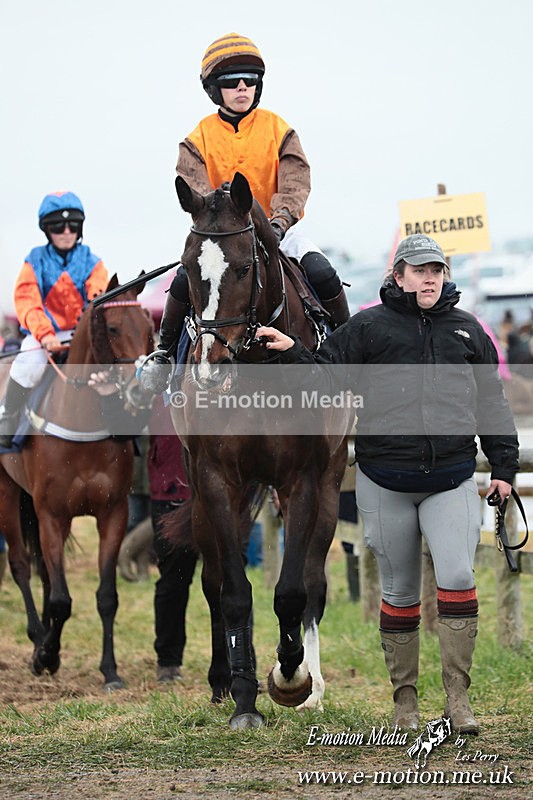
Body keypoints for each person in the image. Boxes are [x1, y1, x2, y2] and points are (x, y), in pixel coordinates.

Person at [257, 233, 519, 735]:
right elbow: (326, 377)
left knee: (459, 579)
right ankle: (405, 704)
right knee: (399, 593)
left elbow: (493, 404)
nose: (429, 278)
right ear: (397, 275)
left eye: (437, 270)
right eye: (419, 270)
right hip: (386, 481)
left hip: (452, 479)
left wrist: (504, 471)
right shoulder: (368, 328)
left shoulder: (470, 332)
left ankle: (458, 700)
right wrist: (293, 350)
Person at [150, 32, 349, 375]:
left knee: (324, 273)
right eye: (231, 81)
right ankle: (165, 354)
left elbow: (295, 179)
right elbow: (196, 190)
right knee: (184, 280)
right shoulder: (197, 139)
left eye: (250, 80)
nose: (243, 87)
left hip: (278, 231)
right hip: (220, 239)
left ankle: (348, 354)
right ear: (215, 88)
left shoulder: (279, 129)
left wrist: (279, 221)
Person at [0, 191, 108, 448]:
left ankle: (122, 422)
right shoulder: (34, 260)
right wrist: (45, 335)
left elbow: (98, 300)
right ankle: (8, 416)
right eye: (58, 226)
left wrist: (88, 332)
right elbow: (27, 301)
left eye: (73, 226)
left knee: (112, 368)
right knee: (27, 365)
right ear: (47, 230)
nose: (66, 231)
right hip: (44, 335)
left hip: (84, 335)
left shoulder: (93, 262)